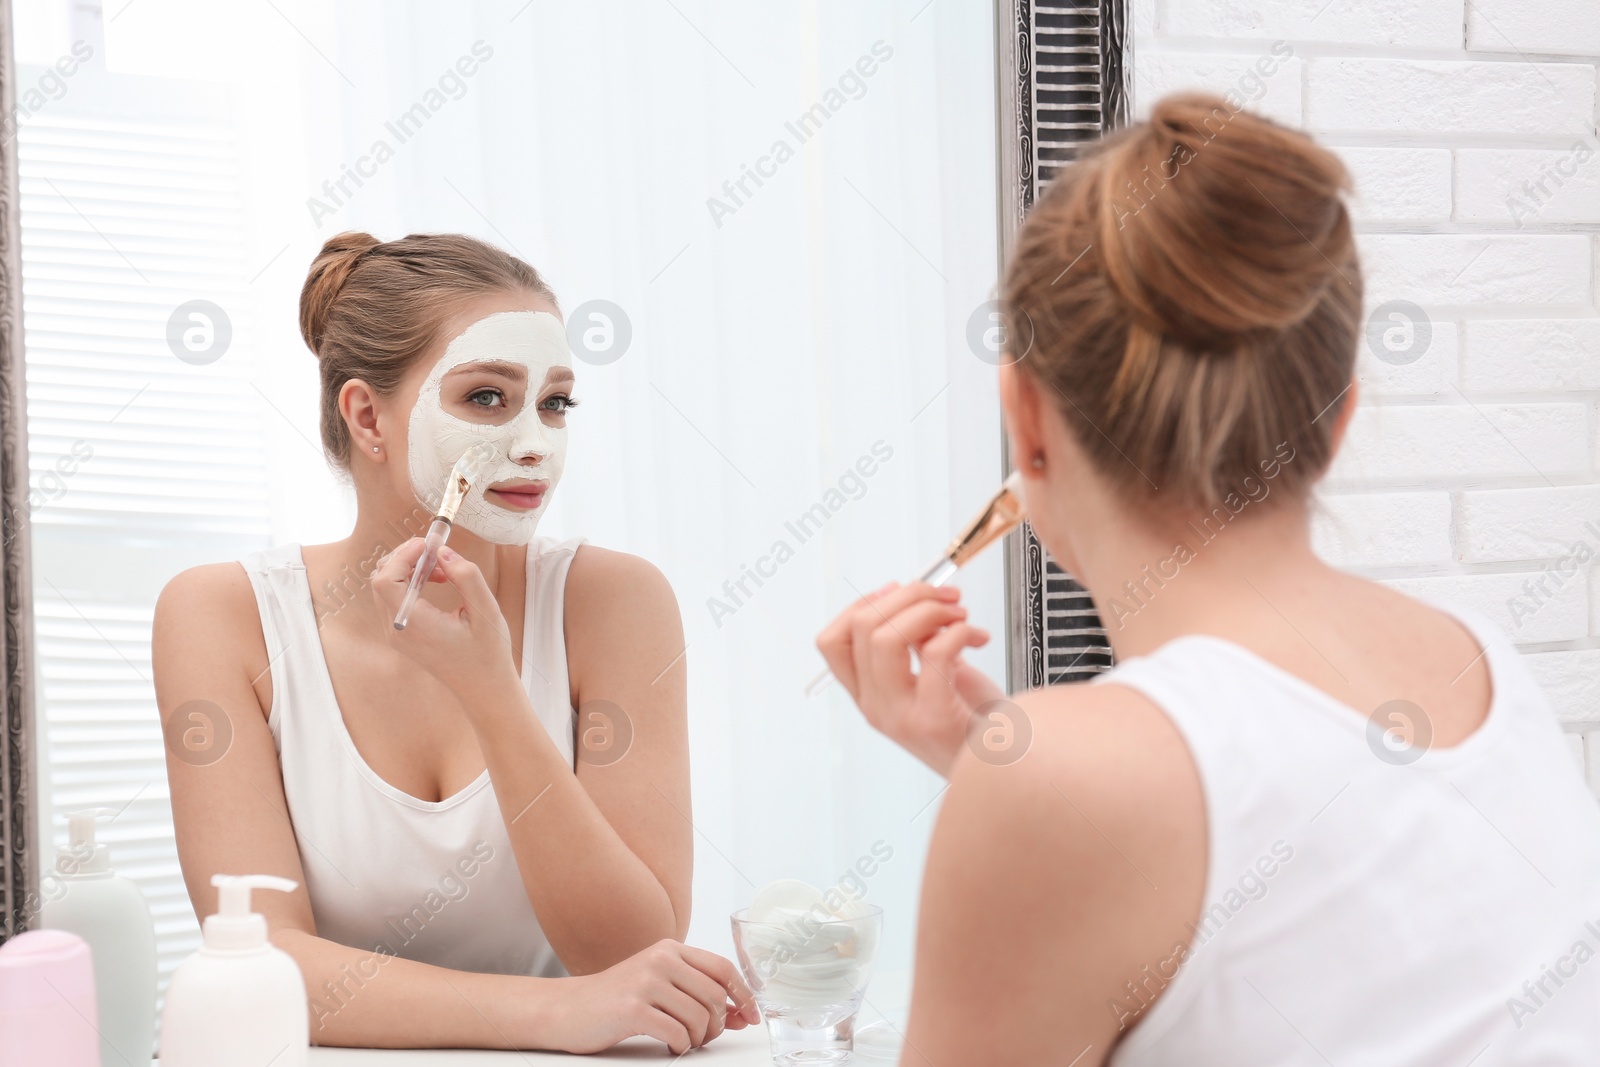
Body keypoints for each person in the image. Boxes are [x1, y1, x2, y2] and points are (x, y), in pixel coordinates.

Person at [818, 94, 1600, 1065]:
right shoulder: (1485, 666)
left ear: (1025, 418)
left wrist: (1012, 787)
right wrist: (983, 757)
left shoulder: (1067, 780)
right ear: (1339, 416)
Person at [154, 232, 756, 1054]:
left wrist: (494, 695)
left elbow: (627, 952)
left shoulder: (615, 602)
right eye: (485, 399)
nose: (536, 443)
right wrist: (555, 1013)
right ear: (369, 415)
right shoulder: (222, 615)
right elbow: (260, 963)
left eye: (555, 402)